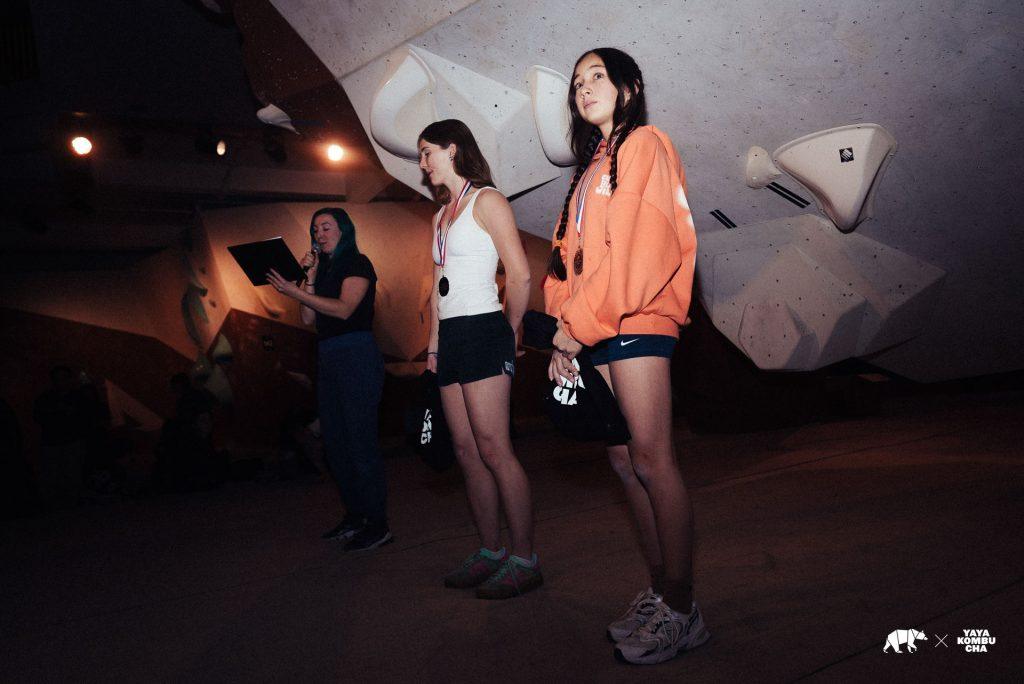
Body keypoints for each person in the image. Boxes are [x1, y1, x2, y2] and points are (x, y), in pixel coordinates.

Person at [543, 48, 709, 664]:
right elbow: (564, 260)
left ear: (628, 88)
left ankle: (683, 609)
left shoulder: (644, 145)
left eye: (597, 77)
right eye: (576, 82)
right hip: (594, 327)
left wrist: (576, 327)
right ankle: (661, 590)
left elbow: (641, 250)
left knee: (652, 458)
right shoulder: (590, 168)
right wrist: (564, 326)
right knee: (622, 460)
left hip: (638, 317)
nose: (584, 88)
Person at [418, 119, 540, 599]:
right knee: (466, 451)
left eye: (427, 152)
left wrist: (508, 331)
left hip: (485, 329)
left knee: (494, 449)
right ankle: (490, 551)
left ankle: (525, 559)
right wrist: (433, 345)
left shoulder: (488, 201)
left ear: (452, 150)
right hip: (450, 336)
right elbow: (436, 287)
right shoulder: (440, 217)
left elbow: (521, 276)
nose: (422, 163)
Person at [267, 208, 391, 552]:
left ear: (343, 230)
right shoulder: (323, 269)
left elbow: (344, 309)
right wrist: (308, 277)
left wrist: (293, 292)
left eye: (326, 227)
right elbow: (308, 318)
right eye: (315, 229)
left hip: (357, 354)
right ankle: (355, 517)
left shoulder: (358, 263)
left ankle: (378, 524)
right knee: (336, 445)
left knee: (360, 444)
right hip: (329, 356)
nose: (319, 234)